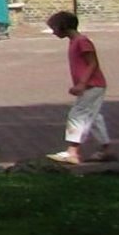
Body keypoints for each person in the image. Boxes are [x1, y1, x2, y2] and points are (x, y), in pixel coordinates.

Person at [46, 10, 114, 166]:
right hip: (92, 86)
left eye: (54, 28)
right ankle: (106, 149)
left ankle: (73, 152)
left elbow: (92, 63)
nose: (53, 32)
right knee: (94, 117)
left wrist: (82, 83)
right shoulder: (74, 42)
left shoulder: (82, 42)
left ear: (63, 27)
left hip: (92, 85)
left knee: (77, 115)